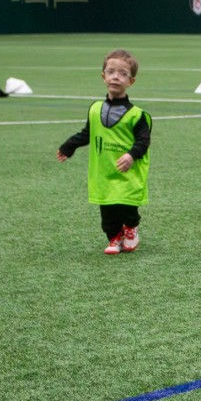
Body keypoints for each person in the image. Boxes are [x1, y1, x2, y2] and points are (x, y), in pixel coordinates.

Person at [57, 49, 151, 255]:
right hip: (104, 171)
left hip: (127, 172)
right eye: (111, 72)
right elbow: (88, 133)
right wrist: (69, 146)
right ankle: (114, 237)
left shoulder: (137, 115)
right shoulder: (95, 109)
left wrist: (131, 155)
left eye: (123, 74)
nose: (116, 77)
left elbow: (144, 142)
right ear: (103, 76)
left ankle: (131, 227)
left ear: (131, 81)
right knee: (108, 212)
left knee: (128, 206)